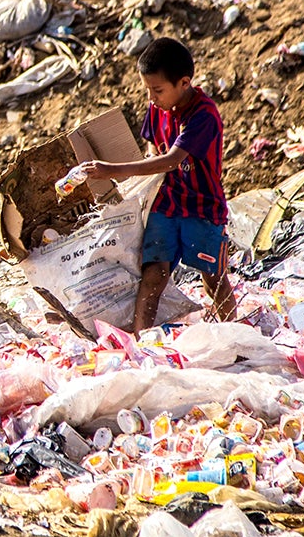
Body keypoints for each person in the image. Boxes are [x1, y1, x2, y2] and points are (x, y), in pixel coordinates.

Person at [69, 36, 235, 330]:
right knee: (153, 274)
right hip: (166, 203)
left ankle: (234, 334)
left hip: (201, 207)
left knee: (213, 278)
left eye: (157, 90)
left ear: (184, 83)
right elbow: (152, 150)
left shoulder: (203, 115)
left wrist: (111, 169)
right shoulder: (156, 108)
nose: (151, 98)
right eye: (147, 90)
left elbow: (170, 160)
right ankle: (141, 340)